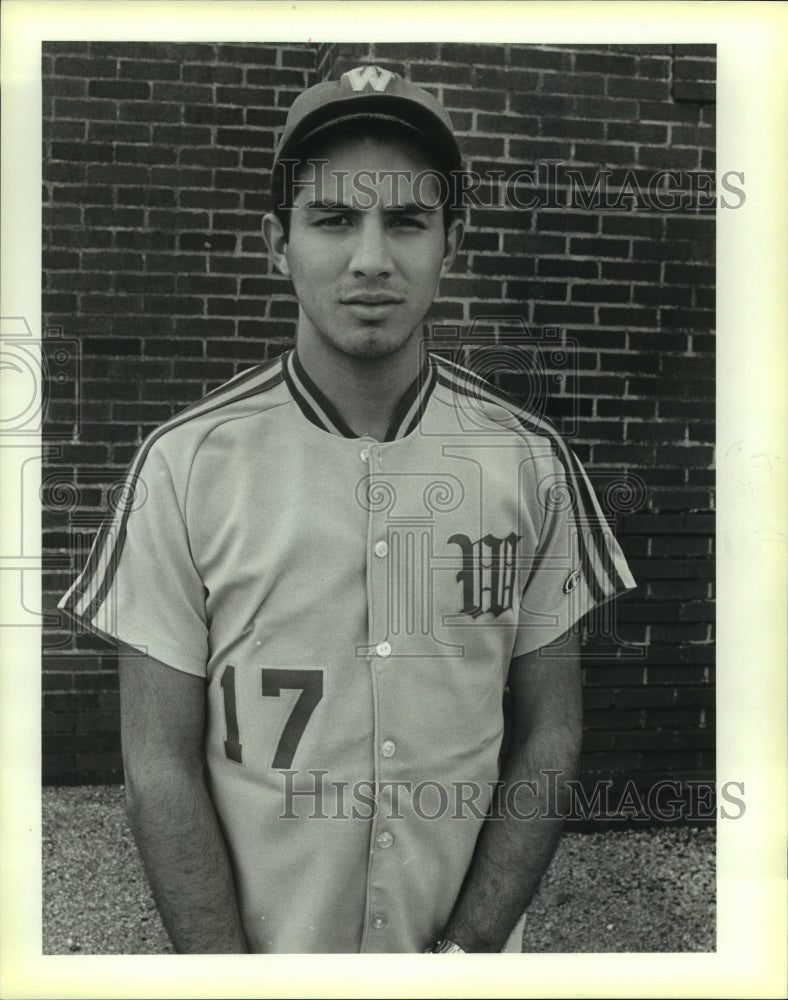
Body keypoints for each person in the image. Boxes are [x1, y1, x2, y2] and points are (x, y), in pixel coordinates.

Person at [59, 65, 636, 954]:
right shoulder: (183, 463)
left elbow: (550, 733)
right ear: (276, 243)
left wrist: (468, 955)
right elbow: (158, 764)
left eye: (406, 220)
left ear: (453, 242)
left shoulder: (529, 459)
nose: (372, 258)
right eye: (333, 219)